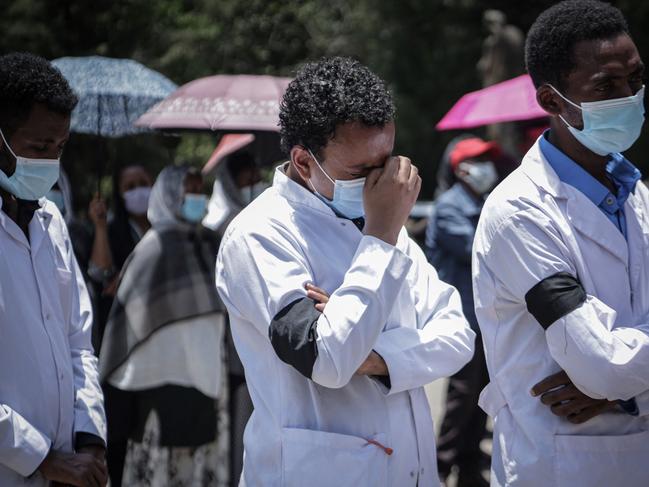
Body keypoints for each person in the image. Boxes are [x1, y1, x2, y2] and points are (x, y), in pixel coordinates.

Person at [216, 56, 475, 486]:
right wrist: (379, 239)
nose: (384, 183)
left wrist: (380, 359)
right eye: (362, 171)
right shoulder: (258, 236)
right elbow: (328, 359)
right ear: (303, 162)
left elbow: (457, 336)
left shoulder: (386, 227)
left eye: (387, 161)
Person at [473, 1, 649, 485]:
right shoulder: (520, 213)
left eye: (636, 78)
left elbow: (612, 376)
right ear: (551, 102)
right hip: (559, 465)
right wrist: (614, 382)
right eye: (606, 87)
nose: (631, 95)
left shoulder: (637, 195)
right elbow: (600, 366)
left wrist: (624, 389)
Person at [0, 52, 107, 486]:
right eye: (38, 148)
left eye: (60, 147)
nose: (50, 161)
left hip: (69, 467)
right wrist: (42, 458)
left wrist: (90, 440)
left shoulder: (50, 219)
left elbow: (77, 342)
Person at [99, 165, 229, 486]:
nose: (197, 197)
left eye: (201, 190)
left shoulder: (212, 243)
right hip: (155, 389)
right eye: (190, 189)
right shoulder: (152, 248)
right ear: (170, 195)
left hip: (206, 381)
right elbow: (126, 324)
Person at [426, 137, 501, 487]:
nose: (489, 167)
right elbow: (483, 250)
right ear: (461, 169)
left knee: (482, 397)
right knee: (462, 398)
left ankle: (470, 467)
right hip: (461, 321)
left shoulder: (485, 203)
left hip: (485, 320)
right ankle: (440, 468)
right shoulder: (449, 209)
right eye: (480, 160)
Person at [203, 151, 265, 233]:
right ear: (231, 186)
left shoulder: (262, 217)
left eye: (259, 180)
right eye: (249, 181)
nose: (256, 186)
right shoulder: (215, 228)